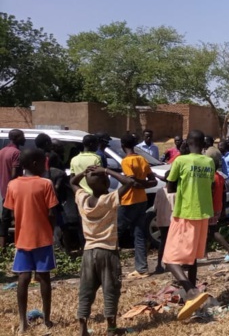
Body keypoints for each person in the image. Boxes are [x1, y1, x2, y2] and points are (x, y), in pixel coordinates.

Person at [1, 149, 61, 333]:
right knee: (44, 278)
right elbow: (52, 213)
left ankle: (22, 323)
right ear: (35, 163)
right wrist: (51, 230)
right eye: (44, 162)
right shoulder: (46, 184)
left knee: (23, 278)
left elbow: (10, 214)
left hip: (22, 239)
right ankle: (47, 320)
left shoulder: (13, 185)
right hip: (43, 238)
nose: (45, 166)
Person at [71, 165, 134, 336]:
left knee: (86, 290)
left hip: (89, 251)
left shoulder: (83, 199)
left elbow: (72, 182)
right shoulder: (108, 200)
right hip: (108, 251)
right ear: (106, 183)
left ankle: (83, 329)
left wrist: (84, 173)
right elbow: (128, 182)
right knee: (111, 289)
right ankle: (111, 329)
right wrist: (106, 170)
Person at [164, 130, 215, 320]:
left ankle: (190, 290)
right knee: (192, 258)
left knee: (169, 259)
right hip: (203, 214)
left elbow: (170, 186)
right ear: (203, 144)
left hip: (185, 213)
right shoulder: (208, 162)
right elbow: (210, 185)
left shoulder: (181, 160)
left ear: (187, 142)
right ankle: (191, 299)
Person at [118, 134, 157, 278]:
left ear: (123, 146)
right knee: (139, 234)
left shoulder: (126, 161)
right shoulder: (142, 159)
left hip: (129, 201)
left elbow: (131, 182)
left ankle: (112, 268)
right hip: (142, 200)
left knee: (115, 233)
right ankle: (142, 269)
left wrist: (138, 184)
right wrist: (144, 185)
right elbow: (151, 181)